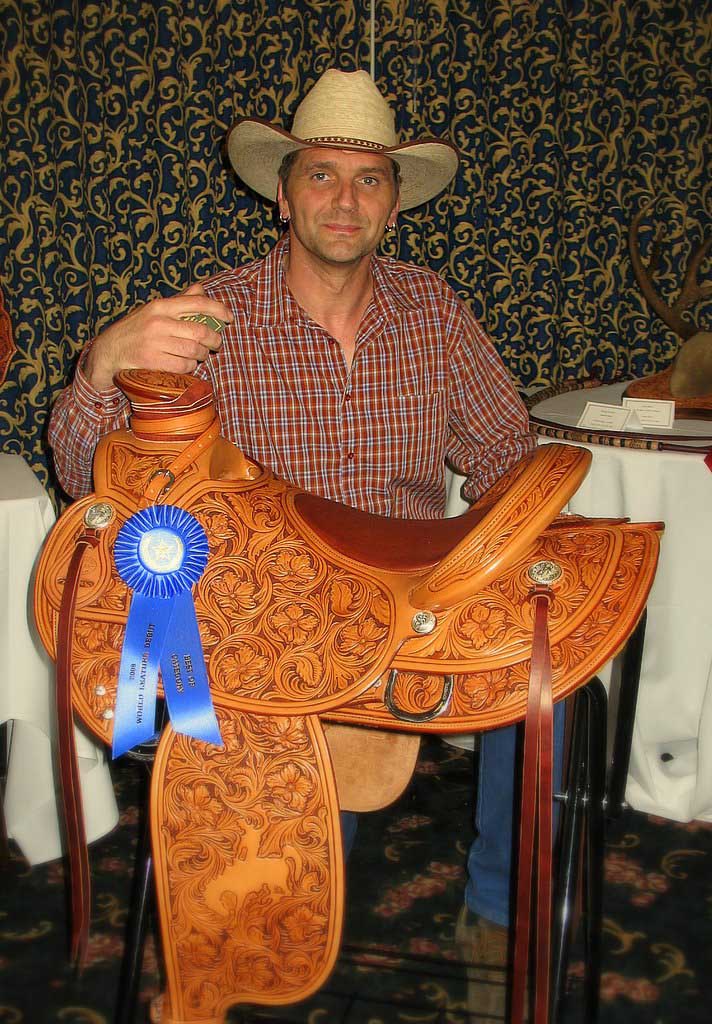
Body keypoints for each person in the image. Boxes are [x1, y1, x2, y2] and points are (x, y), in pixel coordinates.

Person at [48, 68, 552, 1018]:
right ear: (283, 195)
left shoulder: (436, 312)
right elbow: (87, 474)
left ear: (394, 204)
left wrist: (500, 538)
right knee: (298, 867)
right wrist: (102, 364)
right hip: (264, 600)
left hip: (408, 585)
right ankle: (248, 923)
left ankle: (496, 898)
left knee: (536, 654)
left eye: (369, 179)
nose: (344, 199)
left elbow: (503, 450)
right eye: (321, 174)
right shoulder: (211, 318)